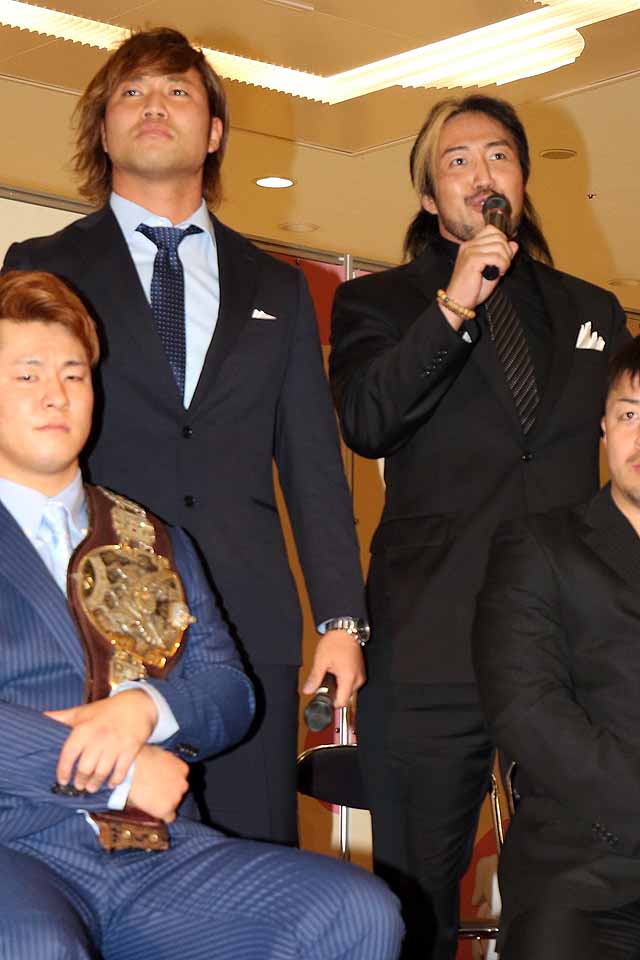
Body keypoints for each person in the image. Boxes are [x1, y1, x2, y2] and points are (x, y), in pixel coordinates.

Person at [3, 27, 368, 847]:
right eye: (131, 93)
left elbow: (313, 466)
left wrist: (342, 621)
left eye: (177, 91)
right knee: (97, 857)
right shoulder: (43, 267)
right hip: (85, 619)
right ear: (103, 133)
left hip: (245, 627)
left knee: (251, 865)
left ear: (214, 133)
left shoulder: (278, 286)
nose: (154, 106)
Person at [0, 268, 403, 960]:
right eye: (26, 375)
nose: (56, 394)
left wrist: (147, 709)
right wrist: (122, 771)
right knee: (33, 944)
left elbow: (228, 691)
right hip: (16, 843)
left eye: (74, 374)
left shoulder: (153, 538)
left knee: (357, 912)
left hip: (157, 849)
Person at [329, 93, 630, 959]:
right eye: (456, 161)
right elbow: (368, 421)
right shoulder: (381, 304)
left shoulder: (592, 310)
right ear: (430, 196)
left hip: (572, 651)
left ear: (523, 181)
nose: (480, 173)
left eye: (497, 155)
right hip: (433, 640)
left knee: (575, 891)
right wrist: (454, 305)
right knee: (417, 901)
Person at [473, 335, 640, 959]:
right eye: (630, 414)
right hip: (585, 874)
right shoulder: (540, 547)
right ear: (604, 427)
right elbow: (526, 710)